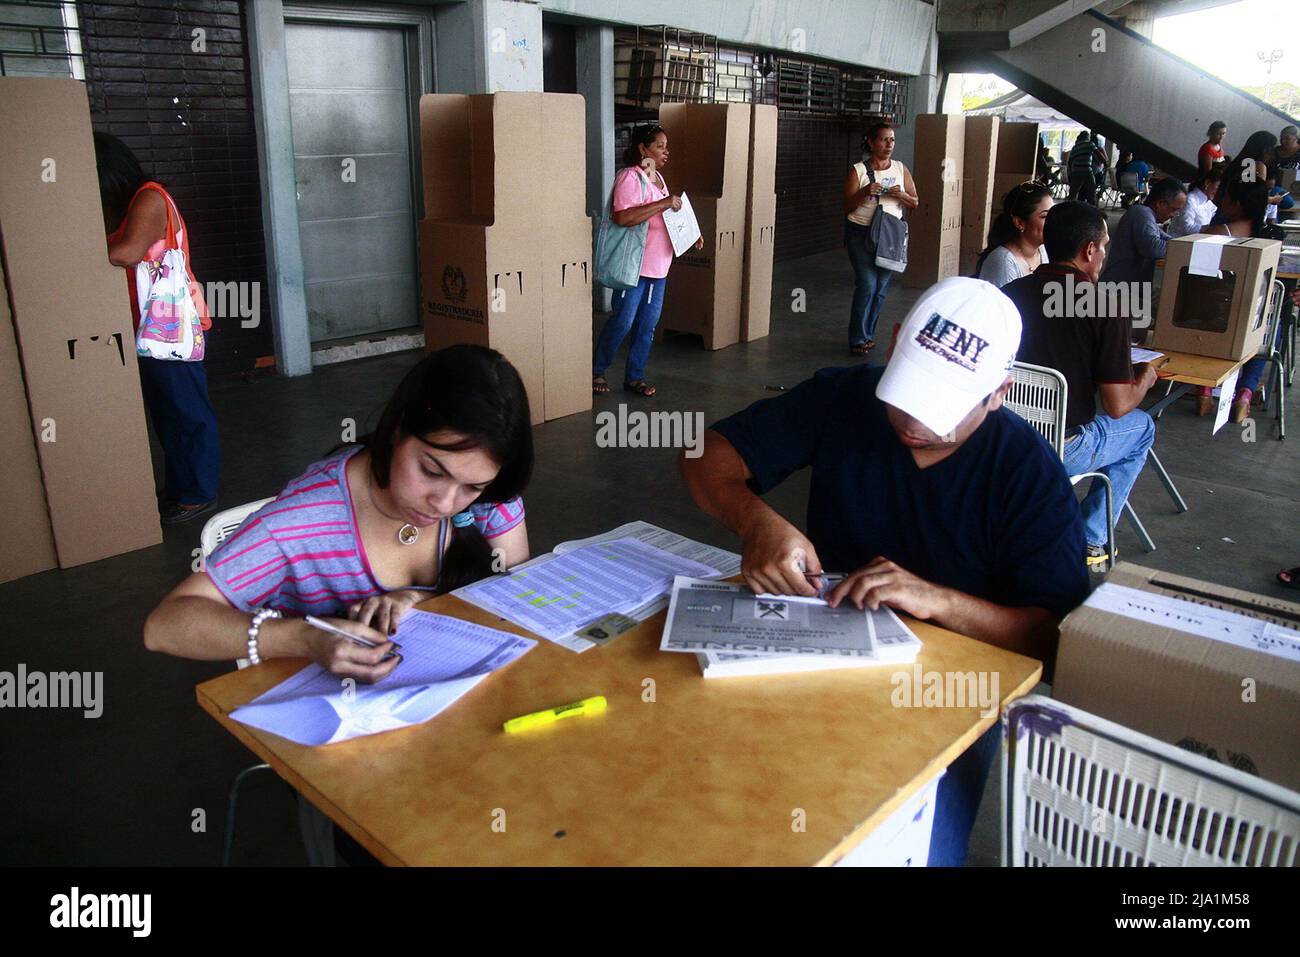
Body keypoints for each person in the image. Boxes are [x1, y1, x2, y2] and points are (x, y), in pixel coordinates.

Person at [680, 277, 1089, 866]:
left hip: (948, 698)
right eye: (907, 394)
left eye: (940, 410)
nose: (913, 423)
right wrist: (756, 522)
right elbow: (703, 453)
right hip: (814, 657)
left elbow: (1053, 641)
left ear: (998, 392)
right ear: (896, 343)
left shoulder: (1028, 475)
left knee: (904, 848)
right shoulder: (845, 397)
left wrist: (938, 601)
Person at [144, 344, 533, 676]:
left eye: (472, 487)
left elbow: (512, 600)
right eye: (431, 471)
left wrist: (422, 603)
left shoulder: (489, 492)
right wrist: (306, 638)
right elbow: (165, 626)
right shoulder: (306, 520)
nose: (446, 503)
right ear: (397, 428)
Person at [1005, 202, 1159, 572]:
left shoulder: (1008, 294)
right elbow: (1117, 405)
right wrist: (1146, 378)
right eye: (1103, 246)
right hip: (1064, 446)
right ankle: (1091, 539)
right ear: (1090, 250)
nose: (1104, 254)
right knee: (1142, 429)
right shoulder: (1105, 306)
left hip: (1004, 435)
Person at [95, 132, 221, 525]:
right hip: (148, 330)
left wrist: (70, 249)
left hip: (169, 330)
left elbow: (129, 253)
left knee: (186, 413)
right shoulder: (126, 206)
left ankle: (198, 494)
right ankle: (183, 487)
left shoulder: (149, 197)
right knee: (168, 414)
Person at [592, 124, 704, 398]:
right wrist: (665, 203)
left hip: (658, 268)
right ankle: (596, 369)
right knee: (623, 321)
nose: (666, 151)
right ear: (643, 149)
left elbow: (664, 217)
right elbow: (624, 217)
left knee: (647, 325)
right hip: (633, 267)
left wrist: (691, 232)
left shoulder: (658, 179)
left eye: (666, 146)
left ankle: (634, 376)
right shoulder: (630, 177)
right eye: (660, 146)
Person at [842, 121, 919, 356]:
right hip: (861, 233)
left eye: (892, 140)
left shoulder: (900, 168)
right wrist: (865, 192)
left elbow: (915, 201)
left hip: (890, 235)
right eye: (884, 139)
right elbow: (846, 206)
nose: (889, 145)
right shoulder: (859, 170)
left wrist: (902, 194)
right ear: (871, 142)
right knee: (867, 284)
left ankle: (868, 336)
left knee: (881, 289)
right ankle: (857, 338)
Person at [1099, 177, 1186, 285]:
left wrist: (1183, 245)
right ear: (1161, 204)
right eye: (1174, 210)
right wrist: (1184, 248)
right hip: (1118, 289)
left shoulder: (1148, 217)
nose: (1174, 215)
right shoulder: (1141, 213)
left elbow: (1168, 240)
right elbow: (1153, 247)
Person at [975, 182, 1052, 288]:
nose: (1052, 221)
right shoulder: (1003, 262)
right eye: (1044, 216)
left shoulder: (1043, 251)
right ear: (1019, 222)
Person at [1168, 167, 1223, 238]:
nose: (1219, 191)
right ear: (1207, 183)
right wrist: (1211, 229)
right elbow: (1187, 227)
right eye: (1218, 187)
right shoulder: (1190, 200)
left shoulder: (1209, 204)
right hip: (1179, 242)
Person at [1067, 132, 1105, 205]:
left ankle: (1069, 209)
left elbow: (1070, 161)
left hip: (1076, 171)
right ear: (1087, 137)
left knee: (1073, 193)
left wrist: (1071, 171)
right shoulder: (1090, 144)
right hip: (1087, 171)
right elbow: (1100, 156)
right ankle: (1093, 210)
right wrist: (1106, 164)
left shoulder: (1075, 147)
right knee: (1092, 192)